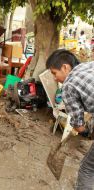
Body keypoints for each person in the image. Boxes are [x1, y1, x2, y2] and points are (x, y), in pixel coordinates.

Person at [46, 49, 94, 189]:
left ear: (65, 67)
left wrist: (84, 132)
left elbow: (79, 126)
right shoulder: (89, 66)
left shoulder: (68, 86)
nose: (55, 78)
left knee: (87, 169)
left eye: (54, 73)